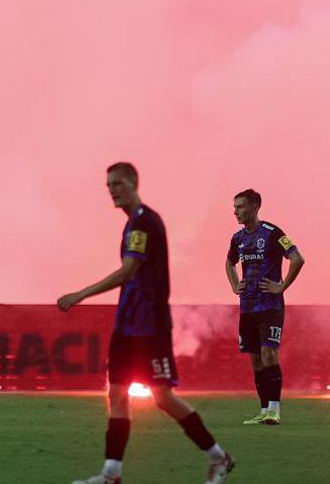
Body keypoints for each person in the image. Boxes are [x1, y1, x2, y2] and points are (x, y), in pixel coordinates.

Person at [57, 163, 234, 484]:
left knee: (162, 397)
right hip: (126, 324)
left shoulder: (144, 222)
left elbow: (129, 271)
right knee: (117, 394)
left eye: (118, 184)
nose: (112, 190)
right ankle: (111, 474)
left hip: (149, 326)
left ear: (133, 184)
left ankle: (219, 457)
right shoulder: (132, 224)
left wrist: (81, 294)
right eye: (109, 185)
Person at [227, 188, 305, 425]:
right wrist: (235, 285)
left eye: (240, 207)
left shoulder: (272, 233)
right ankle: (263, 411)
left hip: (269, 305)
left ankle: (274, 410)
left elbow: (297, 258)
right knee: (255, 359)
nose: (236, 212)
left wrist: (282, 286)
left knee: (269, 353)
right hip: (247, 307)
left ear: (255, 207)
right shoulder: (238, 238)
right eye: (235, 207)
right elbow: (229, 263)